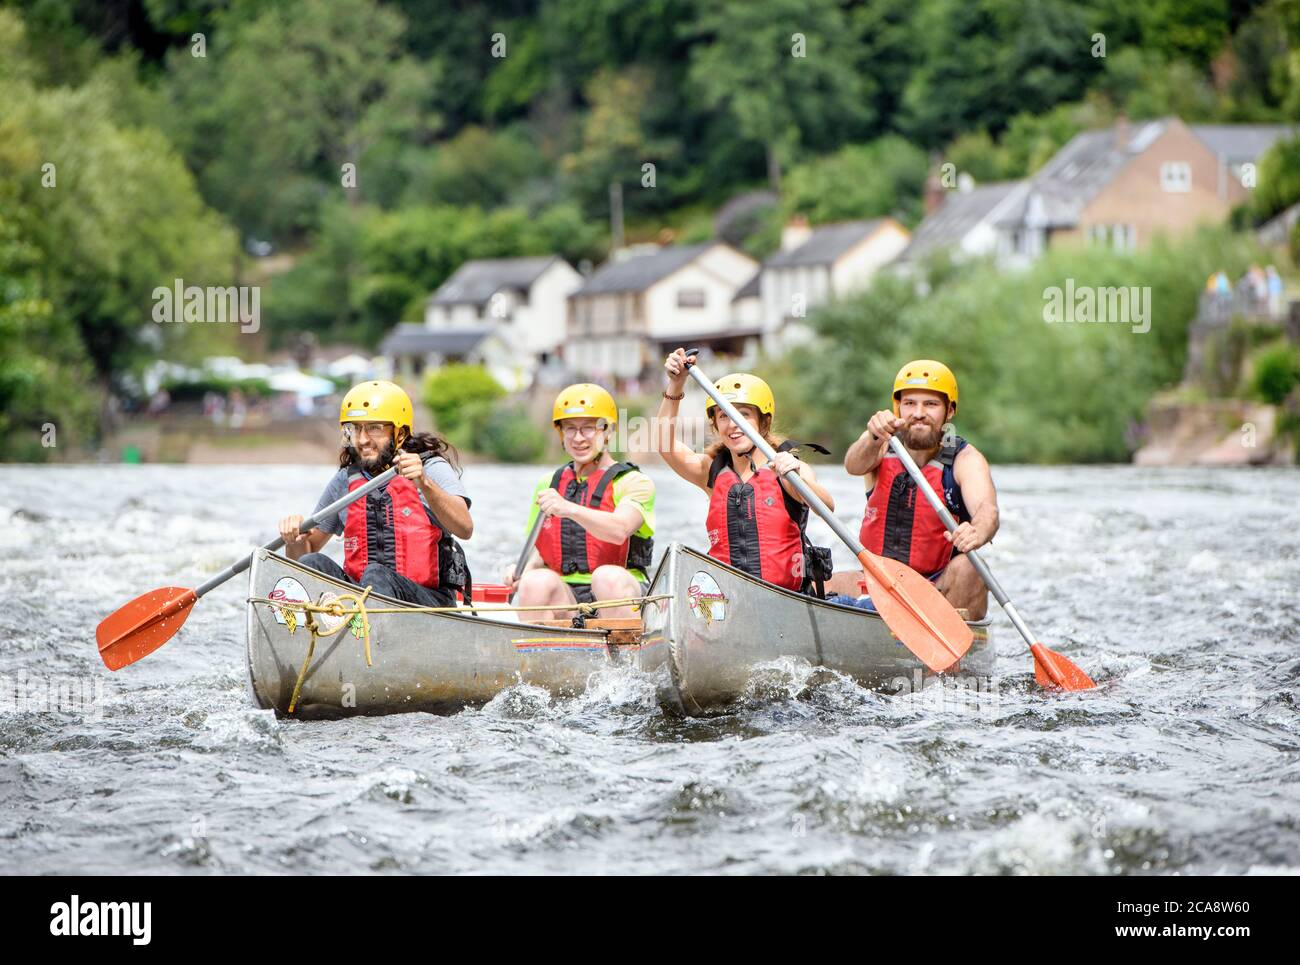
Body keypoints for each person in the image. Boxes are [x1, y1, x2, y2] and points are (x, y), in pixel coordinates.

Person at [825, 360, 998, 619]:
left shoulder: (966, 459)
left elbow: (987, 510)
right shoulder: (880, 442)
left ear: (949, 411)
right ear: (898, 408)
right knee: (826, 584)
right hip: (879, 583)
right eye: (910, 403)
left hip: (938, 587)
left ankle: (951, 651)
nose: (918, 412)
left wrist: (977, 531)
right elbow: (853, 465)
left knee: (970, 568)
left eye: (931, 404)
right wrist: (873, 436)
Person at [277, 380, 473, 607]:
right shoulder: (344, 481)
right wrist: (295, 539)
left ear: (400, 434)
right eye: (355, 429)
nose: (362, 439)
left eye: (374, 428)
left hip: (426, 602)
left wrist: (424, 484)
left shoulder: (430, 468)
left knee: (376, 575)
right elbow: (300, 560)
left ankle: (363, 630)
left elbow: (465, 528)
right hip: (362, 603)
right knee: (313, 562)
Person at [656, 348, 834, 594]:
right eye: (724, 416)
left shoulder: (790, 469)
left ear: (764, 421)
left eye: (744, 415)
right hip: (729, 602)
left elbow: (828, 507)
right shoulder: (711, 471)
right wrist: (676, 384)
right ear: (716, 425)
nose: (733, 425)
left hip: (786, 599)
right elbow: (664, 445)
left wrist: (798, 478)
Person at [505, 383, 655, 621]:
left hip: (621, 589)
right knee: (534, 582)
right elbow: (540, 552)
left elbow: (620, 530)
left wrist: (569, 508)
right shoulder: (549, 483)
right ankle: (541, 654)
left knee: (607, 577)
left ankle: (623, 652)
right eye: (570, 429)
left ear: (608, 431)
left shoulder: (634, 482)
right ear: (561, 434)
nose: (578, 438)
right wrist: (523, 571)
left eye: (588, 429)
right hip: (566, 596)